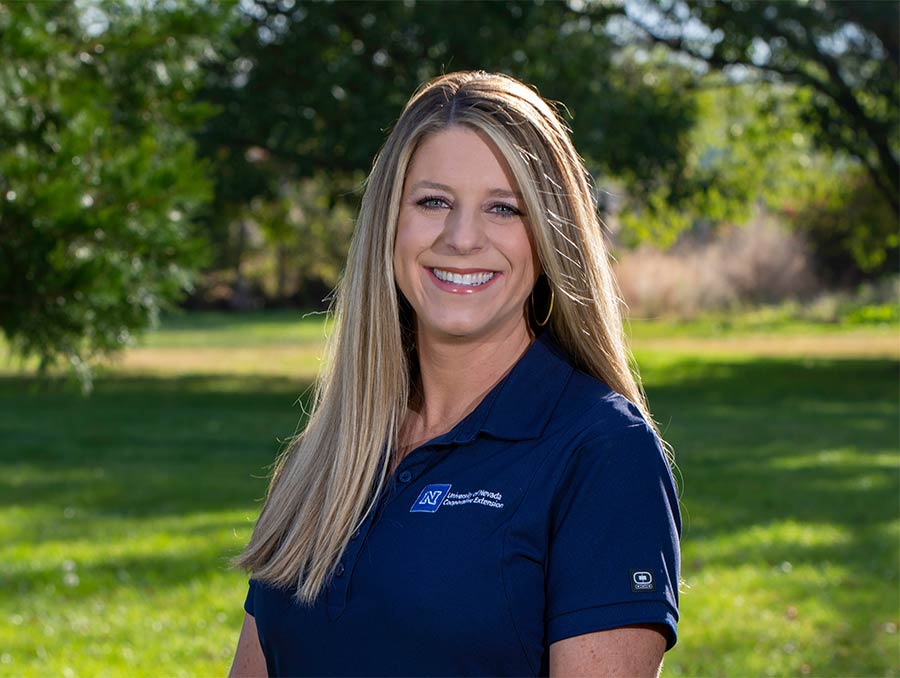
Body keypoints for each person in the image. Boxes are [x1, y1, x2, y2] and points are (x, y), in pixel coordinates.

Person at [229, 70, 681, 677]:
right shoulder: (328, 450)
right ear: (389, 222)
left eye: (503, 208)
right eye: (433, 201)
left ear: (549, 237)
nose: (461, 238)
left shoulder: (603, 452)